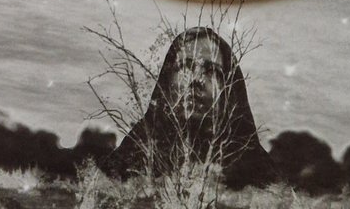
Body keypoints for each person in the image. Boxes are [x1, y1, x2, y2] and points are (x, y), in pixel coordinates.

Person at [99, 26, 276, 189]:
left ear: (228, 91)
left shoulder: (258, 172)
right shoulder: (133, 155)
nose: (196, 79)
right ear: (168, 80)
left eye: (212, 70)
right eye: (186, 66)